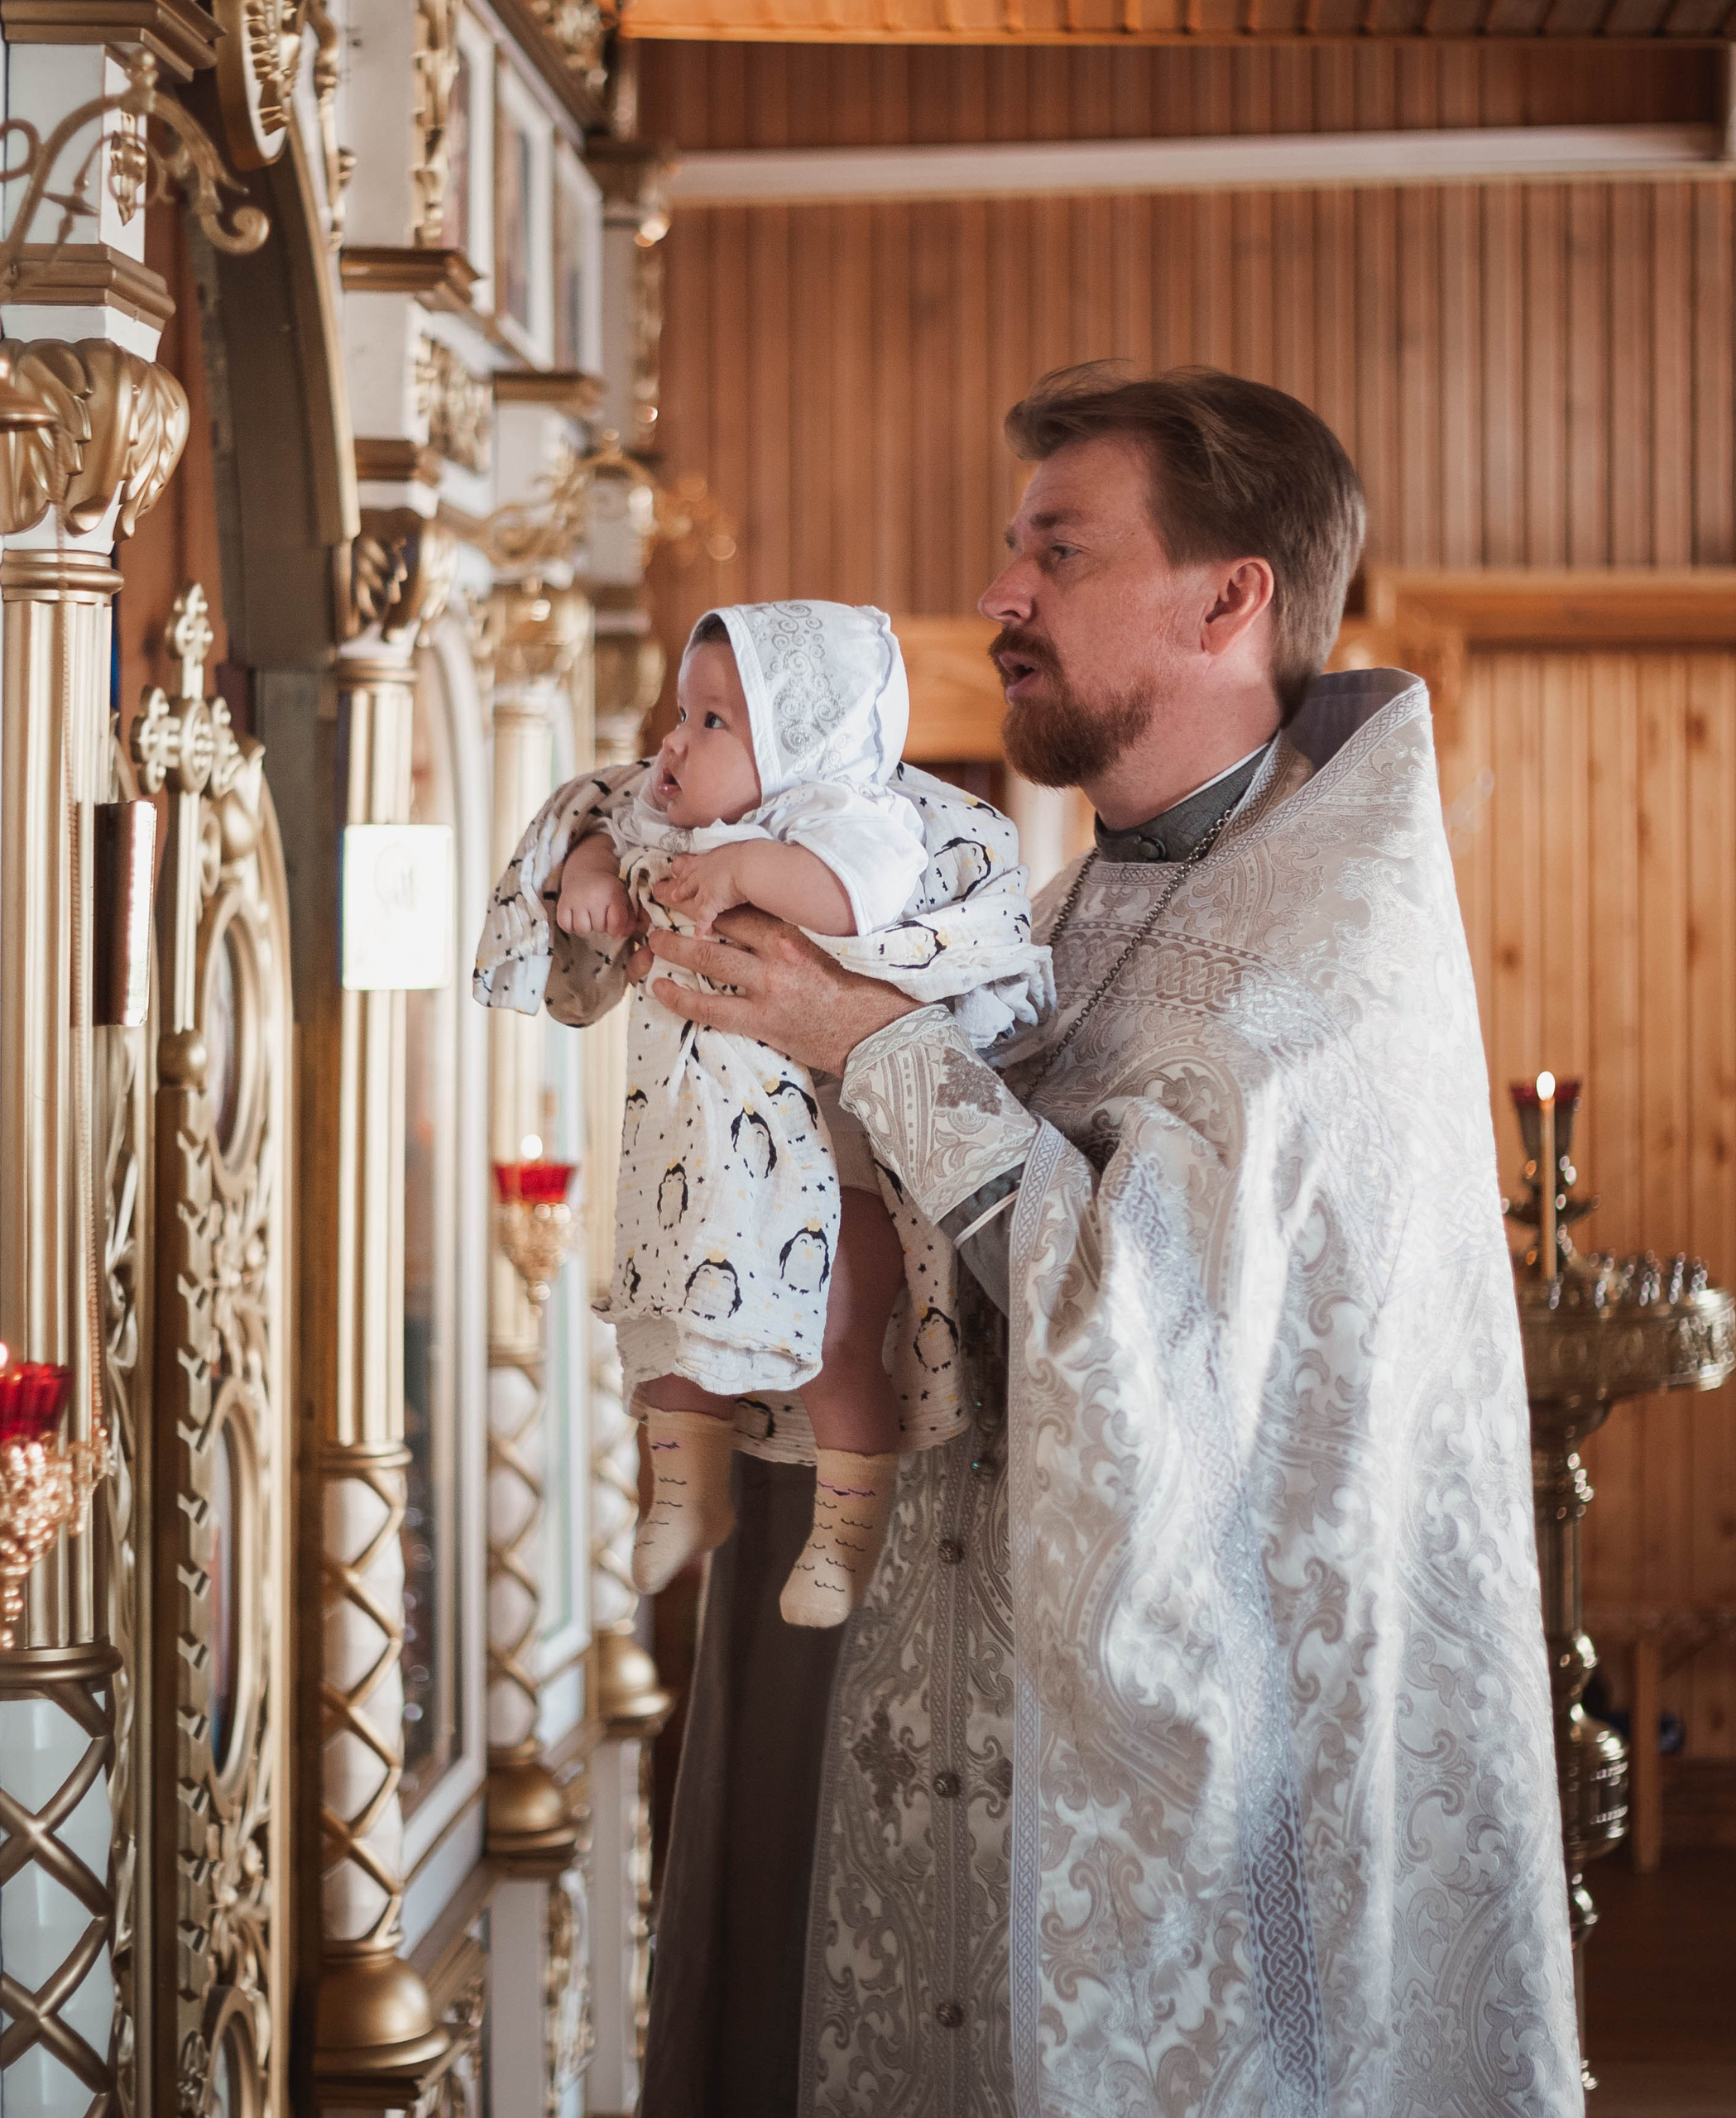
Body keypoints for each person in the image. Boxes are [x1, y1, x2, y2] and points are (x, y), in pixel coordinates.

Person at [629, 367, 1581, 2115]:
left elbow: (1151, 1334)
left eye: (1055, 553)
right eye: (1011, 551)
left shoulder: (1318, 975)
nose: (998, 597)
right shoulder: (1066, 907)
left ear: (1231, 596)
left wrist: (866, 1043)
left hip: (1179, 1835)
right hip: (938, 1728)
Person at [475, 599, 1052, 1627]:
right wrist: (593, 874)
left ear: (802, 743)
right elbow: (591, 828)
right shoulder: (663, 814)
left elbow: (858, 895)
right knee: (666, 1329)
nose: (671, 741)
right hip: (688, 1155)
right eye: (678, 713)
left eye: (712, 723)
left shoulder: (843, 817)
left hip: (829, 1165)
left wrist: (740, 869)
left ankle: (844, 1527)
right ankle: (685, 1498)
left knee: (837, 1338)